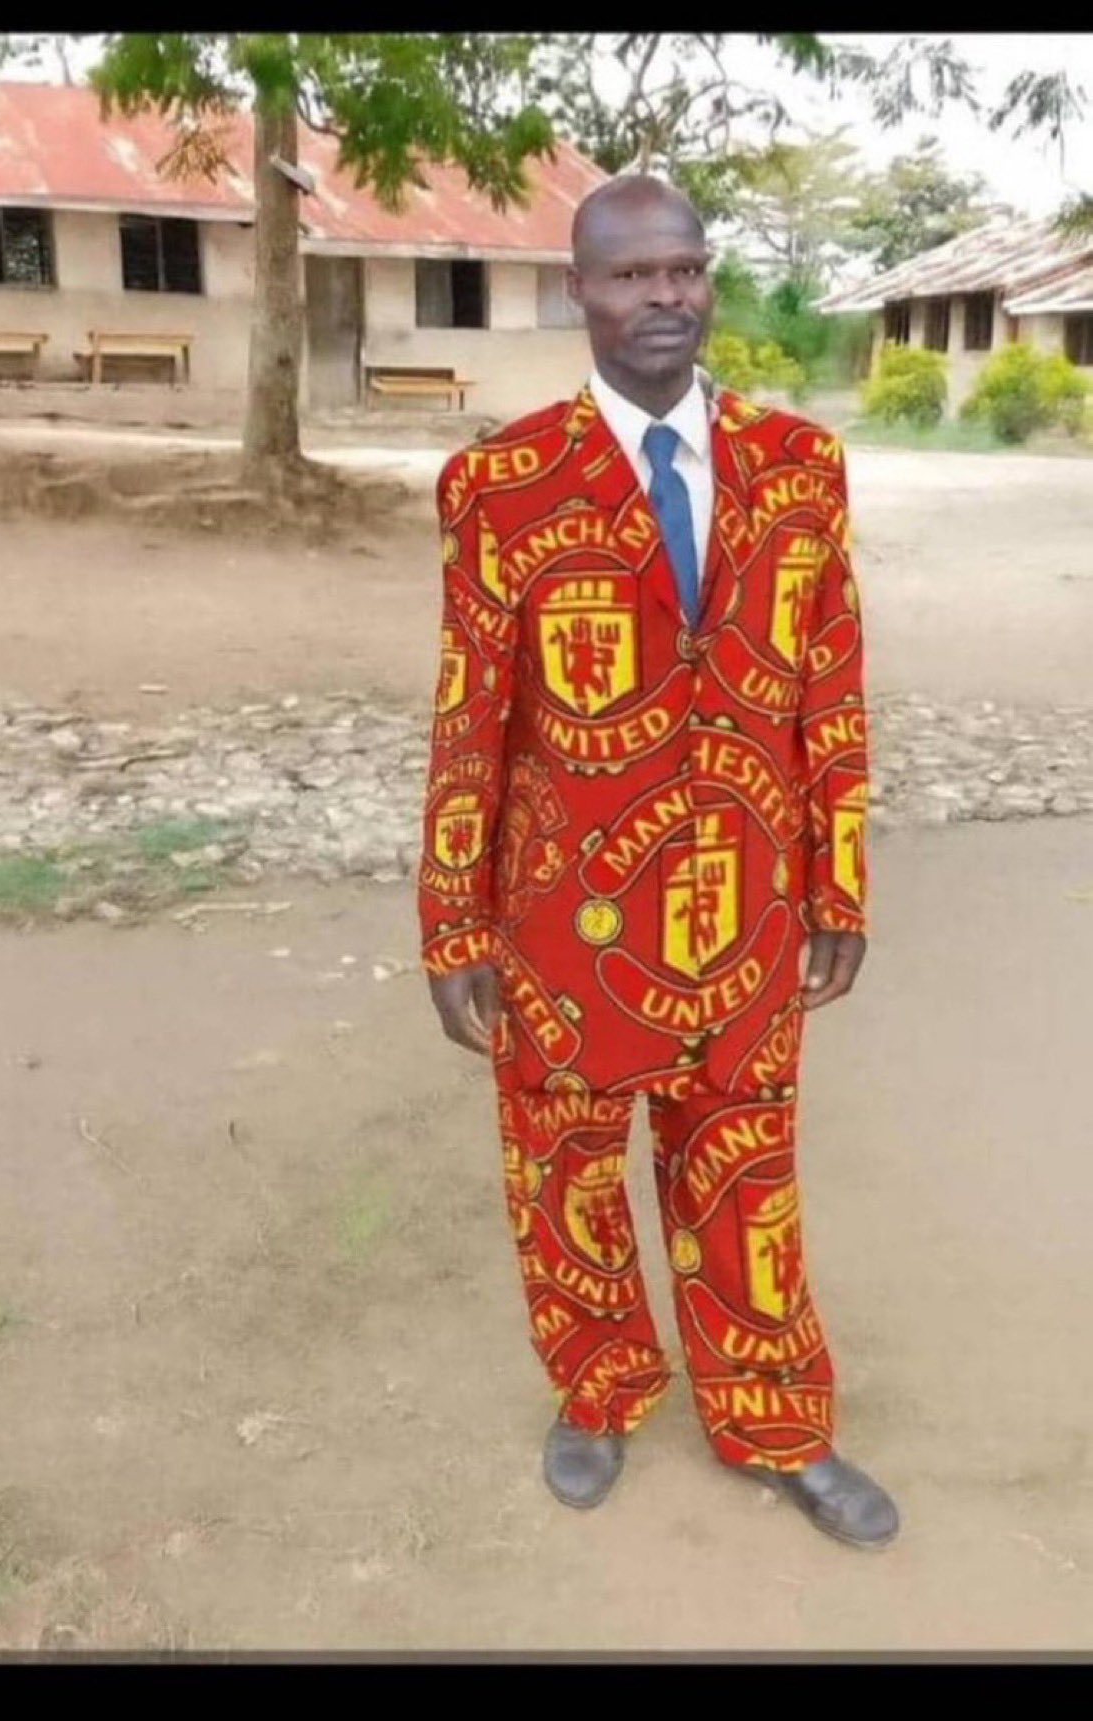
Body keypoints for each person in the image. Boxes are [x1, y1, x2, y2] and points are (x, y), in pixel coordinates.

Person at [418, 174, 897, 1550]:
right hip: (565, 915)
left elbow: (831, 685)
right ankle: (600, 1388)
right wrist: (453, 923)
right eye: (631, 275)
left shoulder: (800, 466)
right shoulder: (502, 487)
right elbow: (470, 717)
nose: (664, 296)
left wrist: (840, 879)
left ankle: (777, 1420)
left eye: (684, 268)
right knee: (565, 1170)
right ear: (579, 290)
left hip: (745, 905)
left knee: (745, 1173)